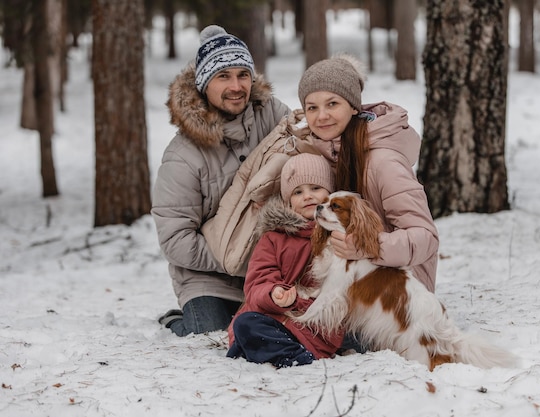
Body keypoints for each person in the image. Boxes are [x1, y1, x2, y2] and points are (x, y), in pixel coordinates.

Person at [151, 25, 291, 336]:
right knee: (214, 338)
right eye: (223, 76)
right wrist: (238, 259)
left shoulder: (271, 115)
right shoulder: (183, 155)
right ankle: (177, 321)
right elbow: (175, 239)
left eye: (243, 74)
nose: (236, 86)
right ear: (203, 84)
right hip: (208, 276)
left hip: (271, 271)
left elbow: (305, 148)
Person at [297, 54, 439, 293]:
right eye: (312, 107)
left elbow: (425, 238)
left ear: (353, 107)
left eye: (332, 104)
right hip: (342, 280)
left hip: (394, 293)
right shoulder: (316, 155)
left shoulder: (384, 162)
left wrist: (367, 246)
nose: (321, 116)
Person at [226, 153, 345, 367]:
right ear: (288, 201)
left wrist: (300, 303)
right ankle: (281, 351)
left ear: (330, 193)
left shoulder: (337, 236)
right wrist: (274, 294)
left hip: (313, 323)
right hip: (273, 318)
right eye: (298, 192)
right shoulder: (274, 237)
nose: (307, 196)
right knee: (245, 324)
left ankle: (291, 355)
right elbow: (257, 283)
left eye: (316, 188)